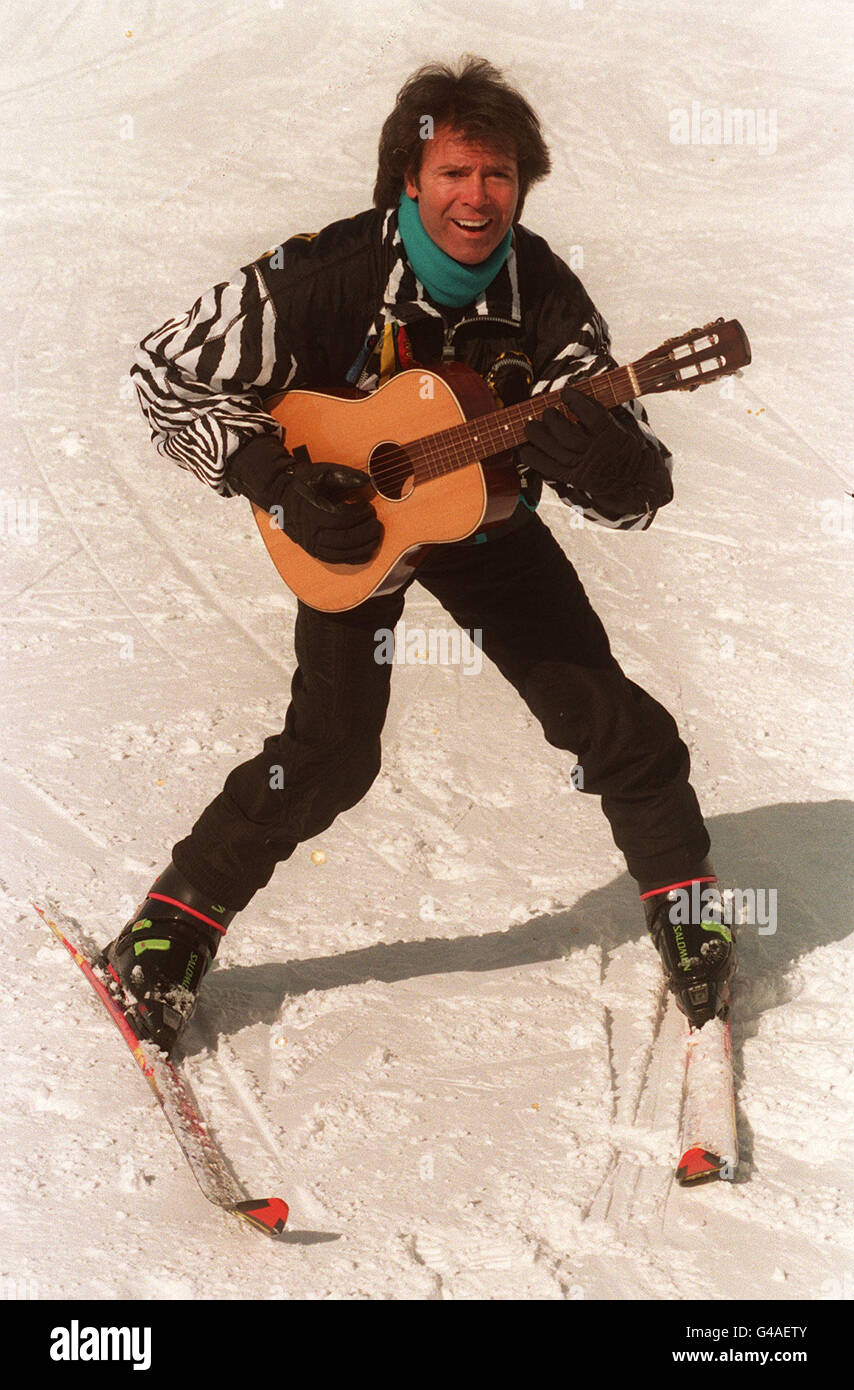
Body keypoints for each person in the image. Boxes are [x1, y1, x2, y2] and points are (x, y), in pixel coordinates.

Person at [101, 57, 734, 1054]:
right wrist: (274, 479)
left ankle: (687, 909)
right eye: (452, 173)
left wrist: (606, 466)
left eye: (498, 176)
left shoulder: (546, 293)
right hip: (344, 518)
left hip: (480, 518)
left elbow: (638, 479)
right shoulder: (323, 275)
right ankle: (168, 928)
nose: (476, 198)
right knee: (330, 751)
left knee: (602, 712)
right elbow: (163, 371)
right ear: (407, 176)